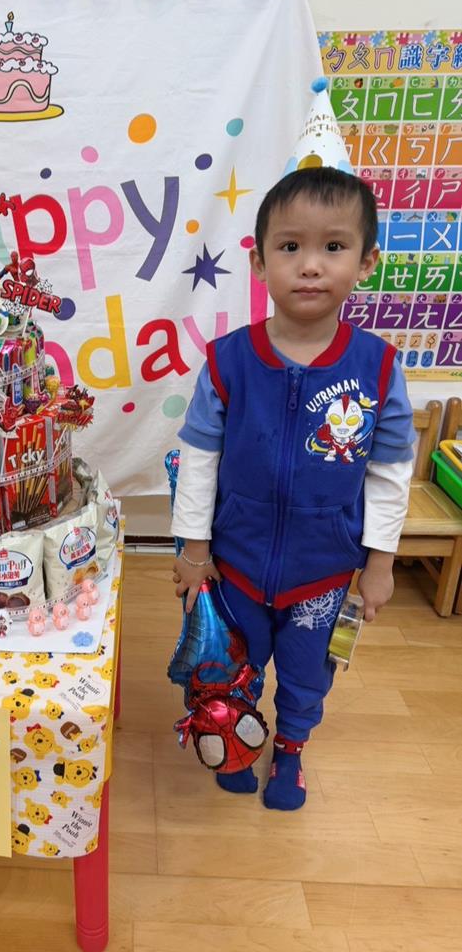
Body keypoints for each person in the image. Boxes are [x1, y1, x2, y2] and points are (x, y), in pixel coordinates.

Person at [171, 166, 415, 811]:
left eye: (333, 246)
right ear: (259, 263)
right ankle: (237, 737)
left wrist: (381, 564)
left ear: (366, 262)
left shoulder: (378, 367)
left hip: (324, 570)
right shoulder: (228, 360)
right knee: (232, 663)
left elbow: (391, 472)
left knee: (308, 673)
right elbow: (199, 457)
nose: (310, 265)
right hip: (235, 563)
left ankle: (290, 749)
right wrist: (194, 550)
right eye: (289, 246)